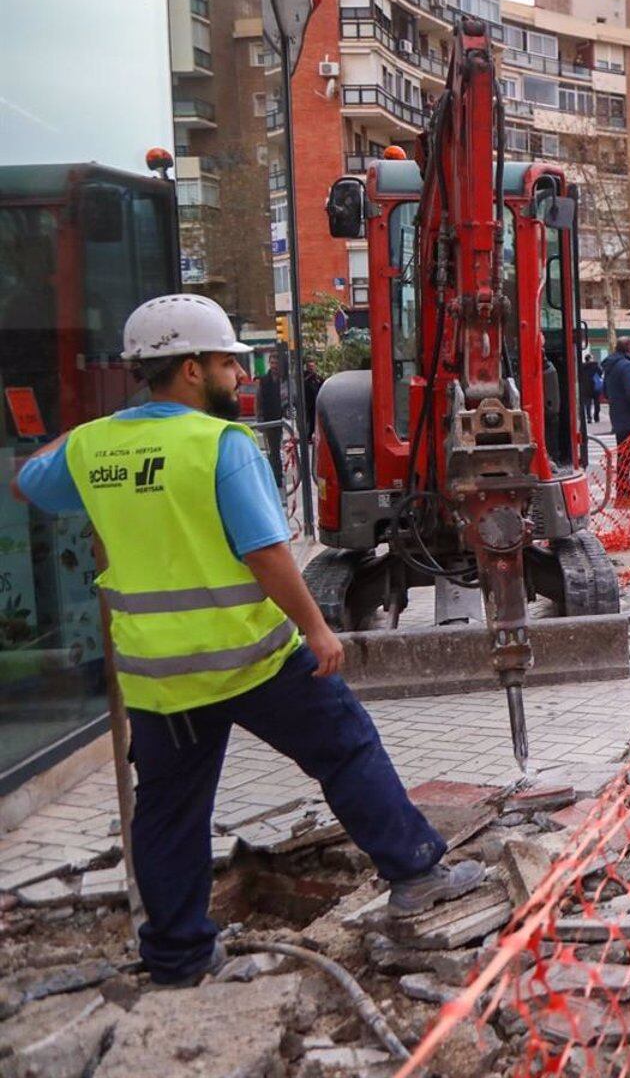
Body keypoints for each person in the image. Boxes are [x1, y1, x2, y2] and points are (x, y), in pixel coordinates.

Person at [8, 294, 482, 988]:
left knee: (169, 813)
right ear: (191, 368)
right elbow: (265, 553)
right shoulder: (220, 445)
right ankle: (415, 873)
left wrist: (88, 434)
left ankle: (178, 957)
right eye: (228, 363)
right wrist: (315, 628)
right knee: (346, 748)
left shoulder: (93, 447)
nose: (239, 375)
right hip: (252, 659)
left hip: (158, 677)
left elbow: (27, 483)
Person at [602, 337, 630, 504]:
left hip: (618, 416)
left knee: (624, 456)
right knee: (628, 457)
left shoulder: (610, 366)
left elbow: (605, 391)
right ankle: (624, 494)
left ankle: (623, 491)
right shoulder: (626, 366)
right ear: (629, 348)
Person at [257, 349, 288, 492]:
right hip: (270, 419)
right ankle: (276, 477)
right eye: (272, 363)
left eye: (276, 363)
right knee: (273, 451)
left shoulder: (285, 380)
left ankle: (279, 474)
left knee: (286, 449)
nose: (274, 366)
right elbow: (258, 400)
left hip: (284, 419)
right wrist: (260, 418)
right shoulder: (263, 380)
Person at [580, 349, 604, 425]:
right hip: (595, 386)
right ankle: (596, 417)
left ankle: (589, 418)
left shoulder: (582, 367)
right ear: (590, 359)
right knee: (597, 403)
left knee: (588, 404)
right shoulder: (595, 366)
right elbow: (600, 373)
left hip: (586, 387)